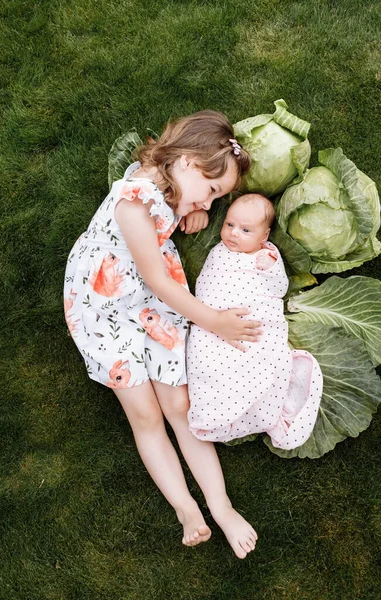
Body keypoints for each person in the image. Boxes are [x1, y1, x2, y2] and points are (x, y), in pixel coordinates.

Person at [64, 112, 260, 558]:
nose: (208, 206)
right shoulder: (133, 203)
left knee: (180, 405)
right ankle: (186, 507)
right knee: (147, 416)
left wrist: (186, 210)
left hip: (150, 302)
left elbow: (171, 210)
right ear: (189, 162)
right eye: (211, 193)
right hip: (106, 301)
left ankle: (222, 506)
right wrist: (214, 320)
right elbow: (157, 280)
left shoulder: (168, 177)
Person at [187, 194, 323, 448]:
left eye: (245, 230)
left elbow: (279, 288)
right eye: (229, 225)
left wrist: (271, 267)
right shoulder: (220, 251)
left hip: (252, 323)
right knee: (209, 366)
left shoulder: (266, 256)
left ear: (264, 236)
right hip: (211, 330)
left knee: (255, 360)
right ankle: (217, 414)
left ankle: (260, 410)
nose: (233, 234)